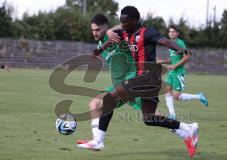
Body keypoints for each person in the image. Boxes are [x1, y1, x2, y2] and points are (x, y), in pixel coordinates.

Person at [79, 6, 199, 157]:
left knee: (108, 100)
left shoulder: (146, 32)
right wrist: (99, 50)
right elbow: (112, 38)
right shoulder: (123, 33)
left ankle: (98, 141)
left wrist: (179, 49)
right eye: (121, 22)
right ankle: (188, 129)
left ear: (135, 21)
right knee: (149, 118)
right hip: (141, 81)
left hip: (143, 77)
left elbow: (165, 41)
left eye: (125, 22)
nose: (122, 25)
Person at [76, 13, 142, 151]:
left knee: (153, 117)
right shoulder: (101, 42)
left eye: (98, 29)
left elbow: (129, 25)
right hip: (119, 83)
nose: (95, 33)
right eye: (93, 30)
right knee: (95, 104)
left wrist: (112, 30)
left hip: (133, 80)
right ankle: (97, 141)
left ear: (106, 27)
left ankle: (185, 129)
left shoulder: (116, 34)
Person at [158, 25, 208, 120]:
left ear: (177, 33)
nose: (171, 33)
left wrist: (175, 66)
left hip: (178, 73)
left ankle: (199, 96)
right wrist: (163, 61)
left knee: (176, 96)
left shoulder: (180, 43)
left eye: (173, 31)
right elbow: (173, 59)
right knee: (167, 92)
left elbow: (187, 56)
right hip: (172, 73)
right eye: (170, 31)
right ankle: (172, 115)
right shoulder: (170, 44)